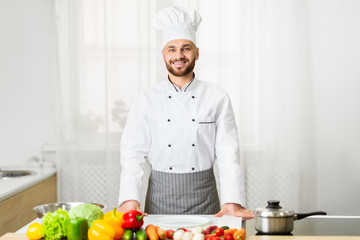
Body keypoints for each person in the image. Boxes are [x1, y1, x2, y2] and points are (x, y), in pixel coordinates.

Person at [117, 6, 253, 219]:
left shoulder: (216, 96)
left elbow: (229, 152)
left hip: (205, 197)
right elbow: (132, 152)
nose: (178, 55)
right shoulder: (146, 98)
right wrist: (129, 199)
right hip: (160, 198)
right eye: (171, 49)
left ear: (196, 52)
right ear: (163, 54)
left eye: (186, 48)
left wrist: (233, 202)